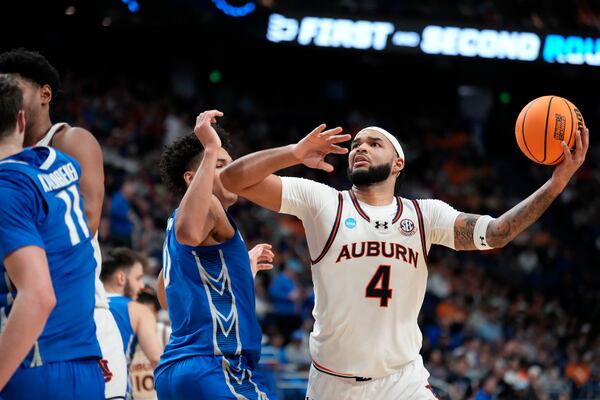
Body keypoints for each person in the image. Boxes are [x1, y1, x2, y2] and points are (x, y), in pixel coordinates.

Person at [220, 123, 589, 399]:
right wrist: (294, 153)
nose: (360, 148)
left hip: (403, 382)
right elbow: (233, 179)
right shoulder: (324, 201)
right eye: (356, 144)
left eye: (374, 143)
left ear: (398, 163)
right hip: (334, 383)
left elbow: (496, 233)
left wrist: (555, 185)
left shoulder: (426, 215)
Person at [0, 48, 127, 398]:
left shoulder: (69, 140)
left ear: (45, 93)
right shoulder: (13, 164)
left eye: (15, 87)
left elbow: (87, 222)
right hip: (32, 314)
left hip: (81, 315)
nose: (7, 94)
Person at [154, 110, 275, 399]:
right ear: (191, 178)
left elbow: (167, 298)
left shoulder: (174, 233)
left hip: (176, 371)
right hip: (216, 366)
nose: (229, 174)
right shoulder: (205, 207)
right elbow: (191, 233)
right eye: (220, 165)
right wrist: (210, 149)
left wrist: (239, 272)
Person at [100, 248, 163, 399]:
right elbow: (157, 359)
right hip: (115, 390)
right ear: (121, 278)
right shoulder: (137, 310)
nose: (142, 286)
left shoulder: (85, 304)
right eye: (138, 278)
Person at [130, 289, 171, 400]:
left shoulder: (165, 333)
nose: (143, 319)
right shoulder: (127, 335)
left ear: (156, 314)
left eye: (148, 314)